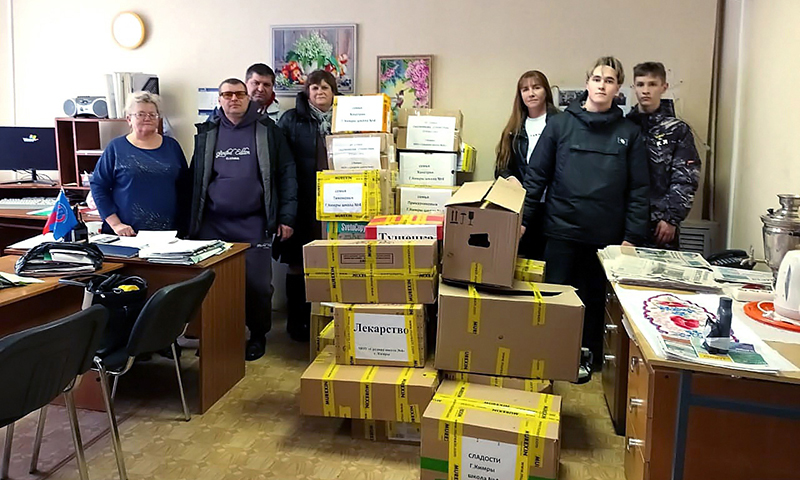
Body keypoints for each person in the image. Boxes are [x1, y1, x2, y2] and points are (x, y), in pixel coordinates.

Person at [521, 56, 649, 382]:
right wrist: (522, 219)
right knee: (556, 299)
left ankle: (587, 356)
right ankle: (552, 356)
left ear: (618, 89)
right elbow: (536, 177)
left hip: (605, 239)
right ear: (587, 83)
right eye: (597, 79)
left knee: (593, 303)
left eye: (609, 80)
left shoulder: (629, 133)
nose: (602, 85)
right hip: (561, 231)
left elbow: (639, 190)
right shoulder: (560, 125)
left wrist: (632, 238)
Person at [189, 78, 297, 361]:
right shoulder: (207, 132)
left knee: (257, 286)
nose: (233, 99)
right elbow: (195, 178)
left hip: (254, 223)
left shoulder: (268, 131)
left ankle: (258, 335)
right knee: (210, 284)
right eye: (227, 94)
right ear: (219, 100)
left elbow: (287, 175)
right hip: (212, 223)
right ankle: (215, 334)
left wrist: (286, 217)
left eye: (239, 94)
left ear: (248, 98)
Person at [277, 70, 338, 342]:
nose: (320, 92)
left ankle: (331, 322)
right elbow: (282, 165)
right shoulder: (291, 119)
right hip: (302, 202)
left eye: (325, 87)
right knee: (298, 263)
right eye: (314, 88)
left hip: (339, 202)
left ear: (334, 92)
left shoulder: (347, 118)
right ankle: (298, 323)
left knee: (334, 262)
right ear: (307, 92)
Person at [91, 91, 189, 237]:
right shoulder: (116, 148)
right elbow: (98, 186)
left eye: (152, 114)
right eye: (140, 114)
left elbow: (185, 187)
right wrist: (116, 224)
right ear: (129, 119)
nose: (147, 118)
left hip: (168, 235)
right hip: (127, 233)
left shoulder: (172, 146)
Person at [627, 61, 700, 249]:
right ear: (633, 87)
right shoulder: (624, 127)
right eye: (640, 84)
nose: (645, 90)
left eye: (652, 84)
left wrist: (671, 218)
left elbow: (686, 178)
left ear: (664, 87)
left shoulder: (677, 131)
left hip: (661, 225)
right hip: (625, 222)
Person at [494, 70, 559, 259]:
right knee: (526, 260)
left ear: (545, 91)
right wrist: (510, 178)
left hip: (554, 207)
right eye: (525, 89)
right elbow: (501, 167)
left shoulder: (561, 123)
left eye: (536, 87)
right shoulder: (514, 128)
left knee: (552, 261)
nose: (531, 93)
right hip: (524, 205)